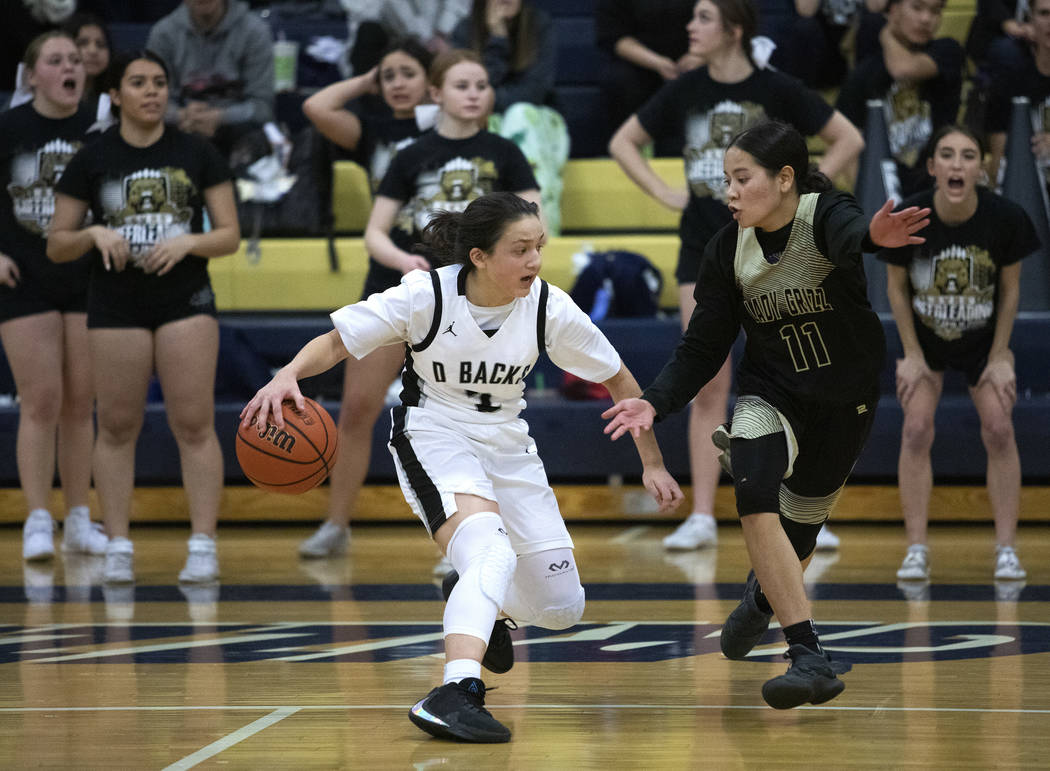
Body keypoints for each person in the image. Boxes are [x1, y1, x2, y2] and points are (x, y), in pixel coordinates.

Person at [240, 191, 683, 742]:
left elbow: (619, 379)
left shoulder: (548, 306)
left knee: (563, 607)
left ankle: (474, 595)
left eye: (539, 247)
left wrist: (653, 464)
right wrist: (287, 375)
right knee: (492, 551)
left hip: (508, 445)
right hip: (434, 435)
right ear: (478, 256)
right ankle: (454, 691)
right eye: (519, 250)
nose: (534, 261)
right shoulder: (425, 295)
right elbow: (337, 342)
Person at [603, 119, 930, 708]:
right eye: (726, 178)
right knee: (753, 490)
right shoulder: (726, 248)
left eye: (741, 178)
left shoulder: (825, 213)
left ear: (785, 180)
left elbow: (855, 235)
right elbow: (702, 346)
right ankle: (806, 653)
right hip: (770, 394)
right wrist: (654, 401)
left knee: (800, 530)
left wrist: (878, 240)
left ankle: (760, 601)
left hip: (844, 401)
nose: (728, 190)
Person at [608, 0, 863, 553]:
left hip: (781, 246)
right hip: (707, 244)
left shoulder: (778, 88)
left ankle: (805, 504)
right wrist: (665, 194)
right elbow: (623, 140)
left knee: (795, 375)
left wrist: (805, 200)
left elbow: (849, 138)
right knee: (709, 379)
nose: (689, 26)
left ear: (735, 28)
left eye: (702, 17)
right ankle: (702, 513)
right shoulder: (683, 87)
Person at [296, 49, 541, 559]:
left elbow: (534, 221)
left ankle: (474, 535)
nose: (475, 93)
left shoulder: (504, 152)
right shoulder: (409, 155)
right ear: (437, 95)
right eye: (462, 85)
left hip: (475, 298)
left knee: (471, 413)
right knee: (359, 409)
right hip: (402, 292)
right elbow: (374, 233)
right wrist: (405, 261)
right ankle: (336, 523)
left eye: (481, 84)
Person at [47, 50, 241, 584]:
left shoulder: (196, 151)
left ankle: (203, 544)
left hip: (185, 300)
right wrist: (91, 233)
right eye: (138, 83)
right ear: (114, 94)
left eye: (159, 82)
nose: (152, 91)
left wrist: (189, 242)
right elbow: (57, 244)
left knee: (194, 422)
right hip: (115, 302)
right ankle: (118, 545)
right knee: (115, 425)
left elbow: (230, 234)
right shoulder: (91, 157)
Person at [879, 125, 1038, 584]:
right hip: (924, 340)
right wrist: (910, 353)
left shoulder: (1006, 218)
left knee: (1000, 428)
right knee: (915, 428)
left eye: (968, 156)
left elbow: (1010, 291)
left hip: (983, 339)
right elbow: (895, 287)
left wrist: (1001, 353)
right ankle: (916, 549)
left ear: (981, 169)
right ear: (932, 168)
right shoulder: (909, 216)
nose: (956, 164)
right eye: (946, 155)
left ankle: (1006, 550)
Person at [297, 37, 433, 558]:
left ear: (432, 82)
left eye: (408, 73)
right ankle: (337, 524)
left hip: (451, 288)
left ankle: (459, 529)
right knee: (357, 408)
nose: (398, 83)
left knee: (447, 415)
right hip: (388, 283)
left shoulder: (459, 134)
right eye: (390, 76)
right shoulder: (374, 130)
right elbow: (315, 107)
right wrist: (367, 80)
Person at [0, 31, 108, 563]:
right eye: (56, 60)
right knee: (40, 399)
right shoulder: (9, 128)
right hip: (24, 277)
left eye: (75, 59)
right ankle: (38, 519)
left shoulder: (100, 127)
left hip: (87, 279)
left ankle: (81, 518)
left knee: (79, 403)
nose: (70, 66)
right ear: (32, 74)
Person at [451, 1, 569, 235]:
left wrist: (489, 99)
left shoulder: (539, 25)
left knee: (519, 116)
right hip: (482, 119)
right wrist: (497, 40)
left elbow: (534, 92)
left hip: (537, 121)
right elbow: (471, 92)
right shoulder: (465, 30)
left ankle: (539, 235)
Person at [835, 0, 964, 198]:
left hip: (938, 187)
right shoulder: (864, 73)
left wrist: (885, 33)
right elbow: (850, 148)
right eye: (917, 8)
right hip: (884, 190)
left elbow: (903, 69)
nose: (926, 19)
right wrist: (870, 201)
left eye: (935, 11)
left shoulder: (947, 50)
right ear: (893, 10)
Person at [146, 0, 275, 160]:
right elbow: (152, 101)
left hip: (238, 133)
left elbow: (262, 107)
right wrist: (181, 115)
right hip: (181, 129)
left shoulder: (254, 31)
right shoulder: (163, 34)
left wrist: (220, 117)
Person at [595, 0, 698, 155]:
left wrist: (699, 57)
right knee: (619, 80)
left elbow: (727, 21)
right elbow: (612, 35)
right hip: (639, 67)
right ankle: (631, 153)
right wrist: (658, 63)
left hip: (698, 61)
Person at [984, 0, 1050, 185]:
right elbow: (999, 165)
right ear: (1029, 21)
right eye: (1044, 14)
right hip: (1029, 183)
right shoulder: (1010, 76)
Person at [769, 0, 889, 89]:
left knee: (875, 22)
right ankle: (799, 100)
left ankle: (867, 98)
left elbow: (877, 6)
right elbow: (806, 10)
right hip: (824, 47)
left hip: (857, 44)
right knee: (805, 27)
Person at [64, 12, 112, 118]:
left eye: (100, 44)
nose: (93, 51)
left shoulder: (116, 97)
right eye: (83, 43)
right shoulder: (51, 98)